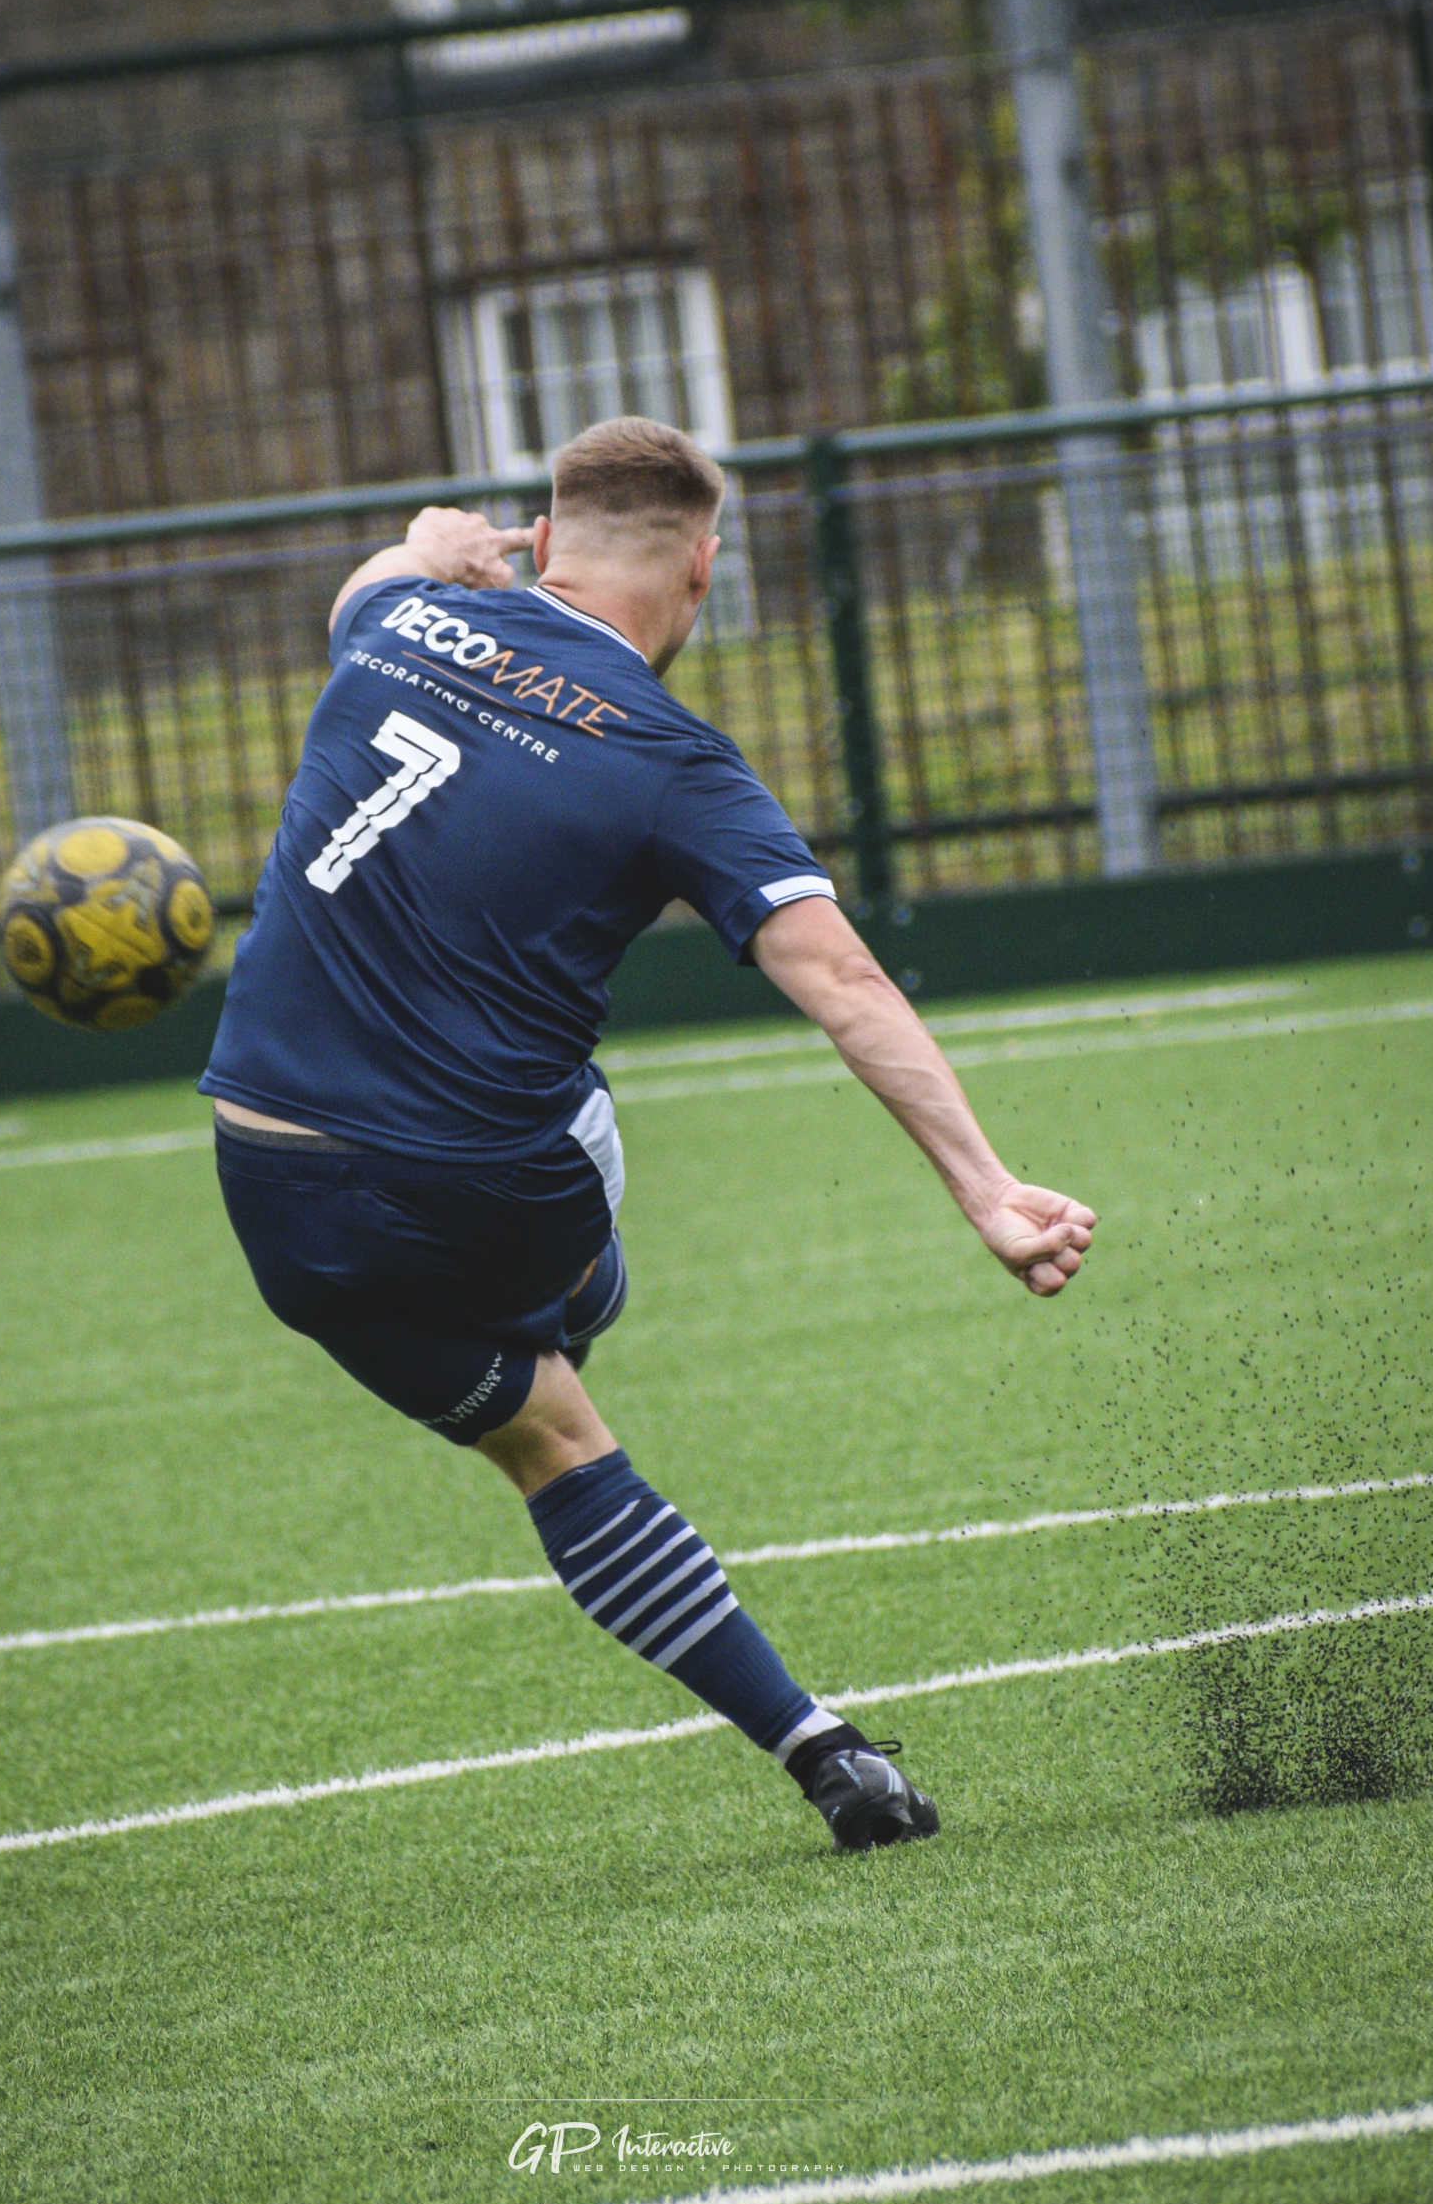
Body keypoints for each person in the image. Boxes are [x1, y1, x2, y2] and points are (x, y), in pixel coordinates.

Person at [200, 417, 1095, 1853]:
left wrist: (436, 547)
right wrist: (985, 1186)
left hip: (270, 1181)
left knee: (551, 1439)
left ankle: (826, 1756)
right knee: (581, 1137)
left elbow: (364, 586)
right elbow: (844, 982)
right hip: (485, 1185)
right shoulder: (675, 757)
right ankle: (578, 1292)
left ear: (542, 544)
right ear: (703, 565)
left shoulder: (403, 618)